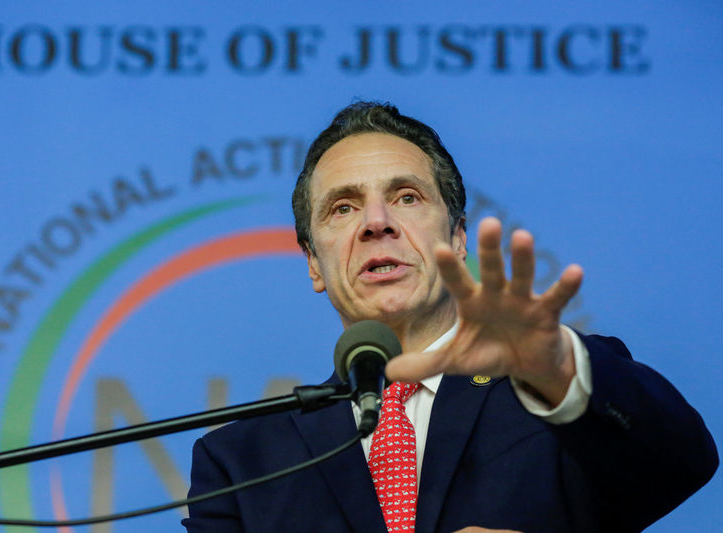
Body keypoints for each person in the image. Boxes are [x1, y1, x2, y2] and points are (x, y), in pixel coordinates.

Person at [182, 102, 718, 532]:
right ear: (314, 264)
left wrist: (556, 366)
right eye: (342, 208)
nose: (376, 222)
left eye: (407, 197)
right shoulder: (241, 465)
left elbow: (681, 464)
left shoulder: (550, 387)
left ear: (457, 237)